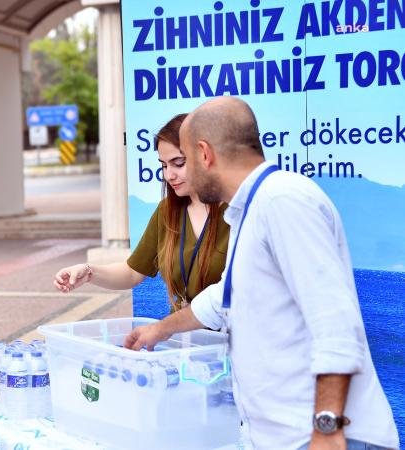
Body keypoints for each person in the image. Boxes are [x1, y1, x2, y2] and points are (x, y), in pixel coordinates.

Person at [125, 97, 398, 449]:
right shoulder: (249, 209)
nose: (181, 174)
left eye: (186, 161)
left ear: (205, 154)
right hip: (280, 436)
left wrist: (327, 430)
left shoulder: (282, 201)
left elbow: (335, 322)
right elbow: (225, 298)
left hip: (318, 437)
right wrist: (158, 330)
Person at [53, 113, 229, 312]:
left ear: (204, 155)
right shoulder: (167, 212)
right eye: (163, 165)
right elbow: (132, 272)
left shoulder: (239, 211)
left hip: (234, 337)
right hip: (183, 335)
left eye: (178, 163)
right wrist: (89, 272)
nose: (168, 175)